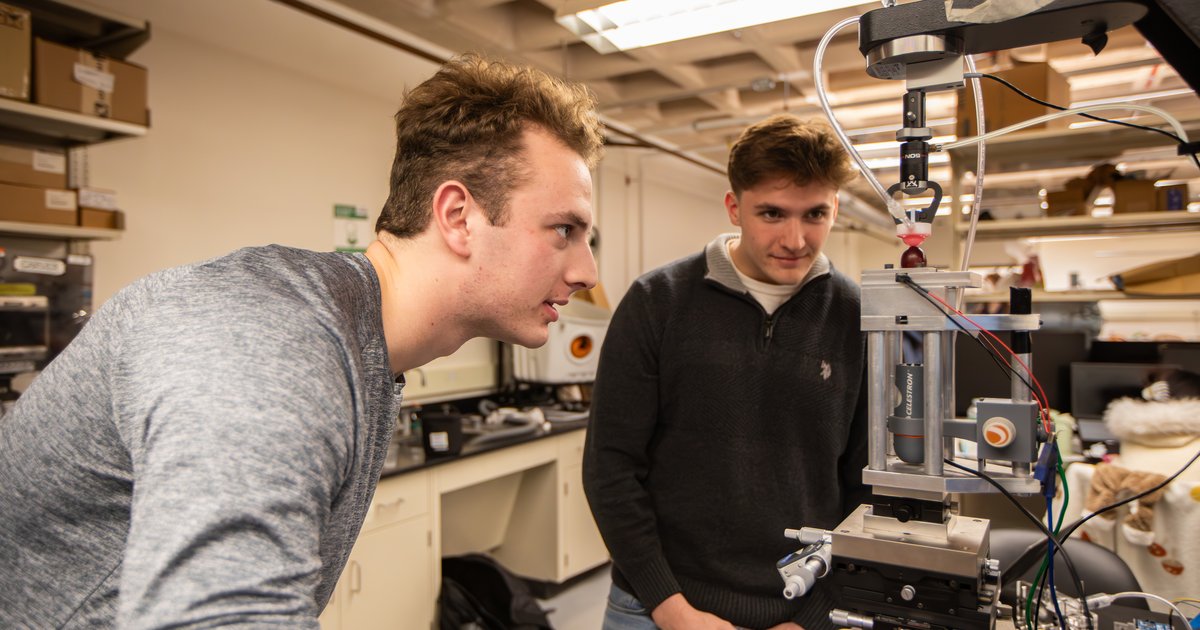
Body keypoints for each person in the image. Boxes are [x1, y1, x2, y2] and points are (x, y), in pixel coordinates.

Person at [0, 53, 602, 628]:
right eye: (563, 230)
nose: (587, 273)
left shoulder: (360, 347)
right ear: (457, 217)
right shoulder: (264, 340)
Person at [583, 114, 869, 630]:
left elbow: (867, 485)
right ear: (734, 207)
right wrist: (671, 609)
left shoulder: (856, 316)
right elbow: (611, 469)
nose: (796, 239)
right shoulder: (658, 301)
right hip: (657, 608)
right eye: (772, 213)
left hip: (802, 609)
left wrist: (816, 616)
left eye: (815, 214)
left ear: (835, 208)